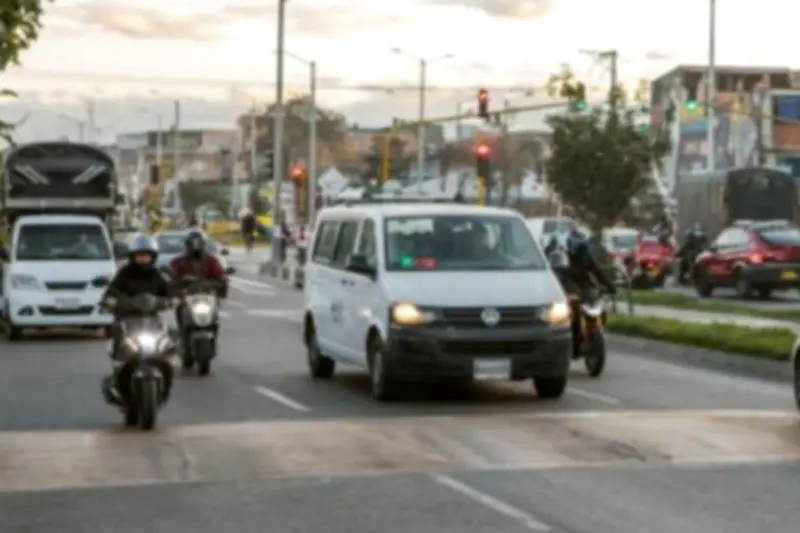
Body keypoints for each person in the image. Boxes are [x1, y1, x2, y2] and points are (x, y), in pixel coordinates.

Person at [101, 234, 171, 403]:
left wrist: (173, 299)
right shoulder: (124, 273)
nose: (143, 259)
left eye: (146, 255)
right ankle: (118, 372)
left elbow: (168, 292)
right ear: (133, 256)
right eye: (140, 255)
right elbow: (111, 291)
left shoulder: (156, 275)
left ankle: (165, 382)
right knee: (119, 338)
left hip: (150, 320)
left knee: (166, 349)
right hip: (128, 320)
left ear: (153, 257)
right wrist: (110, 300)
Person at [546, 230, 616, 357]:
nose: (582, 251)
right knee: (568, 312)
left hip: (585, 286)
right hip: (569, 288)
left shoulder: (586, 257)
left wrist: (609, 286)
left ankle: (594, 331)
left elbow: (597, 271)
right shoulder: (561, 258)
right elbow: (558, 276)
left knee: (596, 302)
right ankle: (569, 339)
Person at [167, 230, 228, 333]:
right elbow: (172, 280)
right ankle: (183, 335)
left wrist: (213, 284)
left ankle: (212, 332)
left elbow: (220, 278)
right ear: (187, 246)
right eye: (192, 245)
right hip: (186, 299)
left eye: (199, 245)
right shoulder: (178, 262)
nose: (196, 248)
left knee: (214, 318)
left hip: (207, 298)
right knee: (179, 309)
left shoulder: (211, 261)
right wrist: (179, 286)